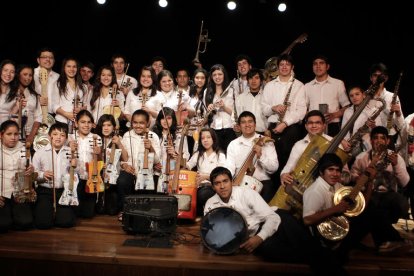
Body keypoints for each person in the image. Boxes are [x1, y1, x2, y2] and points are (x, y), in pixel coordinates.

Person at [204, 166, 346, 275]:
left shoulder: (246, 193)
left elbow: (272, 218)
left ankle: (328, 261)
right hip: (253, 235)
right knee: (271, 252)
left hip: (277, 219)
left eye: (225, 181)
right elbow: (213, 233)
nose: (222, 186)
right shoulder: (211, 204)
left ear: (231, 181)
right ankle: (328, 259)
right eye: (217, 183)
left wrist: (260, 238)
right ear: (212, 186)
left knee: (306, 245)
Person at [302, 153, 374, 264]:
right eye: (331, 170)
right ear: (321, 172)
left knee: (371, 212)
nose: (335, 174)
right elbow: (307, 220)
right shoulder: (315, 191)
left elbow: (361, 206)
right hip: (323, 242)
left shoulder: (337, 186)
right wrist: (335, 209)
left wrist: (370, 182)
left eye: (338, 170)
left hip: (338, 233)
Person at [351, 126, 410, 252]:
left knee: (400, 203)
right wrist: (361, 177)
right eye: (375, 138)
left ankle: (379, 239)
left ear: (388, 141)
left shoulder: (396, 157)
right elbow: (353, 175)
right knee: (373, 207)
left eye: (382, 138)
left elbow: (405, 183)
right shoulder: (362, 157)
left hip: (388, 194)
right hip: (369, 193)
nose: (379, 141)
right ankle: (390, 240)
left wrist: (395, 166)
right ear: (371, 141)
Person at [261, 54, 306, 191]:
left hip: (290, 128)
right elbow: (264, 108)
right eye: (282, 64)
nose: (284, 67)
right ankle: (273, 194)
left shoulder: (298, 85)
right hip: (272, 127)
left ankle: (286, 193)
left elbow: (301, 111)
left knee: (289, 160)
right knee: (273, 161)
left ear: (292, 67)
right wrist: (273, 108)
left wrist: (285, 123)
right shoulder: (269, 85)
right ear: (278, 67)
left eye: (287, 64)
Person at [225, 111, 278, 202]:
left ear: (255, 124)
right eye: (243, 122)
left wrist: (260, 156)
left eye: (250, 121)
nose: (247, 125)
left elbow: (274, 168)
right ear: (239, 126)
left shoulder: (266, 141)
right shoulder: (233, 144)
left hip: (262, 183)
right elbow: (229, 167)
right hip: (240, 183)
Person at [117, 109, 161, 220]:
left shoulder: (153, 136)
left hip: (146, 172)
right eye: (135, 122)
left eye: (141, 123)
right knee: (122, 181)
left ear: (147, 124)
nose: (138, 126)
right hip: (131, 170)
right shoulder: (127, 135)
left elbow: (156, 160)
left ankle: (141, 213)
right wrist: (124, 165)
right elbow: (123, 156)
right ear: (131, 123)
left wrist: (150, 147)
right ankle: (125, 210)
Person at [32, 122, 76, 229]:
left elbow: (75, 175)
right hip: (45, 191)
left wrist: (74, 165)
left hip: (63, 191)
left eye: (62, 135)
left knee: (66, 223)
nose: (58, 137)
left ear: (66, 138)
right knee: (43, 224)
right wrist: (43, 174)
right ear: (49, 136)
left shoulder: (70, 152)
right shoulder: (39, 152)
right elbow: (33, 174)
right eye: (55, 134)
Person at [0, 120, 35, 232]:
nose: (13, 137)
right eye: (9, 134)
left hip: (19, 191)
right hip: (2, 192)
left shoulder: (24, 148)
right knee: (4, 225)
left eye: (16, 134)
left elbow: (30, 172)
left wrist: (31, 171)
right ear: (1, 135)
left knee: (26, 223)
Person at [304, 55, 350, 136]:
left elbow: (346, 106)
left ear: (327, 66)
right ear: (312, 67)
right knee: (315, 149)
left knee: (333, 148)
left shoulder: (338, 83)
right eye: (315, 64)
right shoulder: (307, 86)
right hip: (313, 126)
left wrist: (334, 115)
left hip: (333, 125)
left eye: (321, 63)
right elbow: (303, 108)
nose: (318, 66)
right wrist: (311, 118)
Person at [68, 110, 102, 218]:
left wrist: (99, 153)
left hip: (90, 179)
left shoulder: (96, 138)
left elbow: (100, 162)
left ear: (92, 124)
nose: (86, 125)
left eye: (89, 122)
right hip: (75, 178)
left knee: (88, 214)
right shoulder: (70, 137)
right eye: (83, 122)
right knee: (76, 212)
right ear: (76, 123)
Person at [186, 128, 226, 216]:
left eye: (208, 137)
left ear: (213, 139)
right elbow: (188, 165)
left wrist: (206, 176)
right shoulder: (198, 154)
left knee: (203, 194)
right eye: (203, 138)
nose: (205, 140)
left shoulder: (220, 155)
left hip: (213, 186)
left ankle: (204, 215)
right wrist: (179, 160)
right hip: (198, 186)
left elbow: (221, 174)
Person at [94, 114, 128, 216]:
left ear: (114, 127)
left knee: (111, 211)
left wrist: (119, 144)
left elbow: (125, 158)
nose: (106, 128)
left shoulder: (118, 139)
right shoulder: (97, 139)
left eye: (109, 125)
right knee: (99, 210)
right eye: (103, 125)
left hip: (113, 177)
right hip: (99, 175)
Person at [367, 63, 405, 148]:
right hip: (368, 138)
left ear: (386, 78)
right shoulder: (365, 96)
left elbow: (401, 126)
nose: (378, 78)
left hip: (387, 139)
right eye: (375, 75)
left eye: (381, 76)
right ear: (371, 78)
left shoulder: (392, 97)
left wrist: (398, 113)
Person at [153, 107, 189, 193]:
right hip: (157, 173)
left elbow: (186, 158)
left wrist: (175, 153)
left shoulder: (180, 136)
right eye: (163, 118)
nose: (165, 121)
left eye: (169, 118)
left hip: (174, 174)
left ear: (173, 120)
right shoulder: (154, 135)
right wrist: (153, 164)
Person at [203, 64, 236, 153]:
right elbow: (205, 117)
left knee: (229, 157)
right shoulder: (207, 91)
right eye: (214, 75)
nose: (217, 77)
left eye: (220, 74)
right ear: (211, 77)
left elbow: (236, 114)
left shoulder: (232, 90)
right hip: (214, 130)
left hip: (229, 128)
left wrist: (224, 107)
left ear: (224, 75)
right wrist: (209, 110)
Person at [52, 58, 87, 132]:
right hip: (62, 121)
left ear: (77, 69)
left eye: (74, 67)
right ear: (64, 68)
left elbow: (86, 105)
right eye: (68, 66)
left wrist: (80, 109)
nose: (72, 69)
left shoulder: (83, 87)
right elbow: (54, 106)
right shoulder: (58, 84)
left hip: (78, 123)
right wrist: (66, 114)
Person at [13, 64, 42, 145]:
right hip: (12, 135)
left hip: (29, 135)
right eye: (25, 74)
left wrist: (31, 136)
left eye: (30, 75)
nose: (28, 78)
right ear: (18, 75)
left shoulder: (34, 96)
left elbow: (38, 117)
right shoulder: (10, 93)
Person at [235, 68, 268, 134]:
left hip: (264, 134)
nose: (253, 81)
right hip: (245, 133)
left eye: (257, 78)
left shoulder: (266, 97)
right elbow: (238, 117)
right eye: (251, 78)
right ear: (247, 81)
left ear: (261, 81)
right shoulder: (240, 98)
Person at [33, 47, 59, 116]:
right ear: (38, 60)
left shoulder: (58, 77)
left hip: (54, 117)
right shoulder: (31, 74)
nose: (48, 59)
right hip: (35, 115)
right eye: (44, 57)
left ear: (54, 61)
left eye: (51, 57)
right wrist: (36, 99)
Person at [0, 59, 19, 125]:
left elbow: (12, 115)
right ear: (0, 71)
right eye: (5, 70)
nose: (8, 74)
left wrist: (17, 106)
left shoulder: (15, 92)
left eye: (12, 72)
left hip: (6, 127)